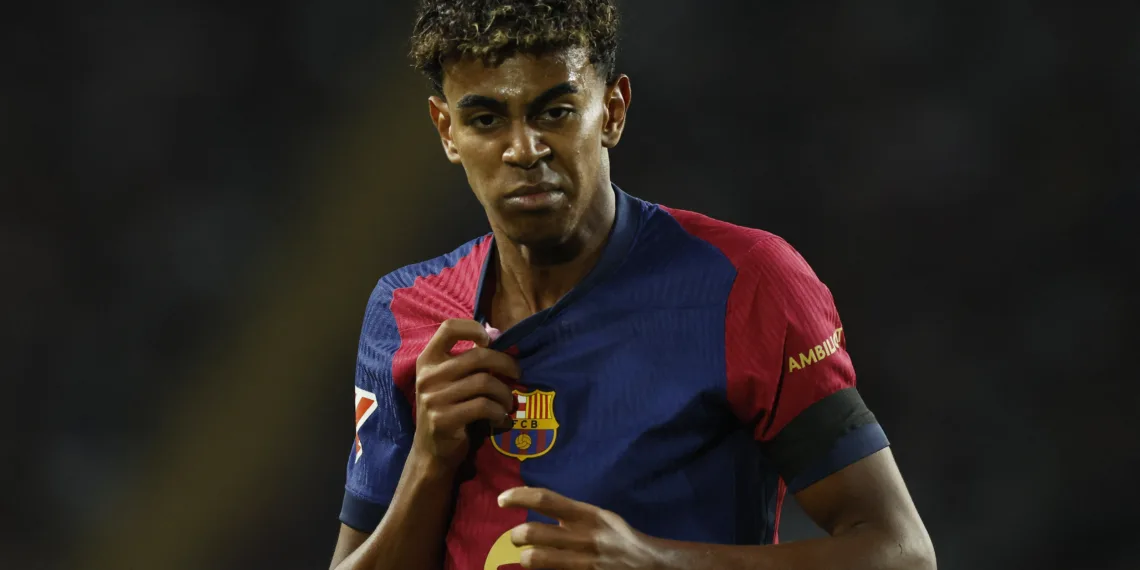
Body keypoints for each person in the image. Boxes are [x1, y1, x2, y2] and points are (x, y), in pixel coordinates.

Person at [330, 1, 935, 569]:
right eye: (486, 118)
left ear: (612, 112)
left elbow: (899, 550)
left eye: (555, 111)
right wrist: (429, 462)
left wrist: (657, 560)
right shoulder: (406, 309)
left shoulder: (746, 282)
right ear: (446, 130)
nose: (524, 149)